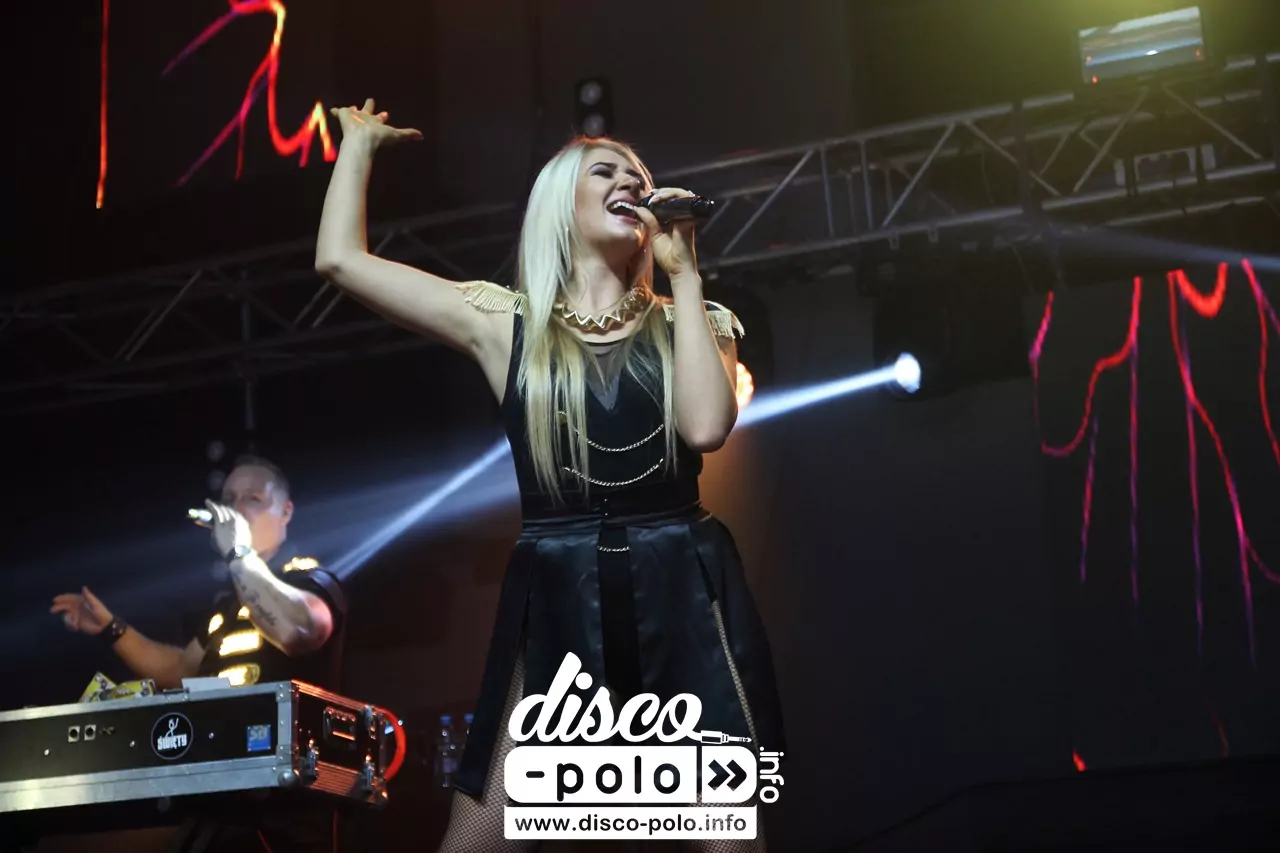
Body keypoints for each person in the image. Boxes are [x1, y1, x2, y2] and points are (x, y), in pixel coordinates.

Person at [317, 99, 785, 852]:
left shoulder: (696, 322)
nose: (631, 182)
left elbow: (704, 428)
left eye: (639, 176)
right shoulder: (505, 324)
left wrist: (686, 273)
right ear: (559, 205)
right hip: (561, 591)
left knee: (724, 839)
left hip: (679, 586)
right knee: (480, 838)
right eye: (606, 171)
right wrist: (359, 149)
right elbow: (341, 261)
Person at [50, 454, 347, 853]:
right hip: (217, 792)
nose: (237, 509)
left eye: (253, 498)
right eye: (230, 499)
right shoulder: (226, 609)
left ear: (285, 511)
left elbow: (296, 631)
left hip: (281, 810)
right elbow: (178, 669)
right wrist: (110, 628)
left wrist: (238, 551)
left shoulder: (308, 580)